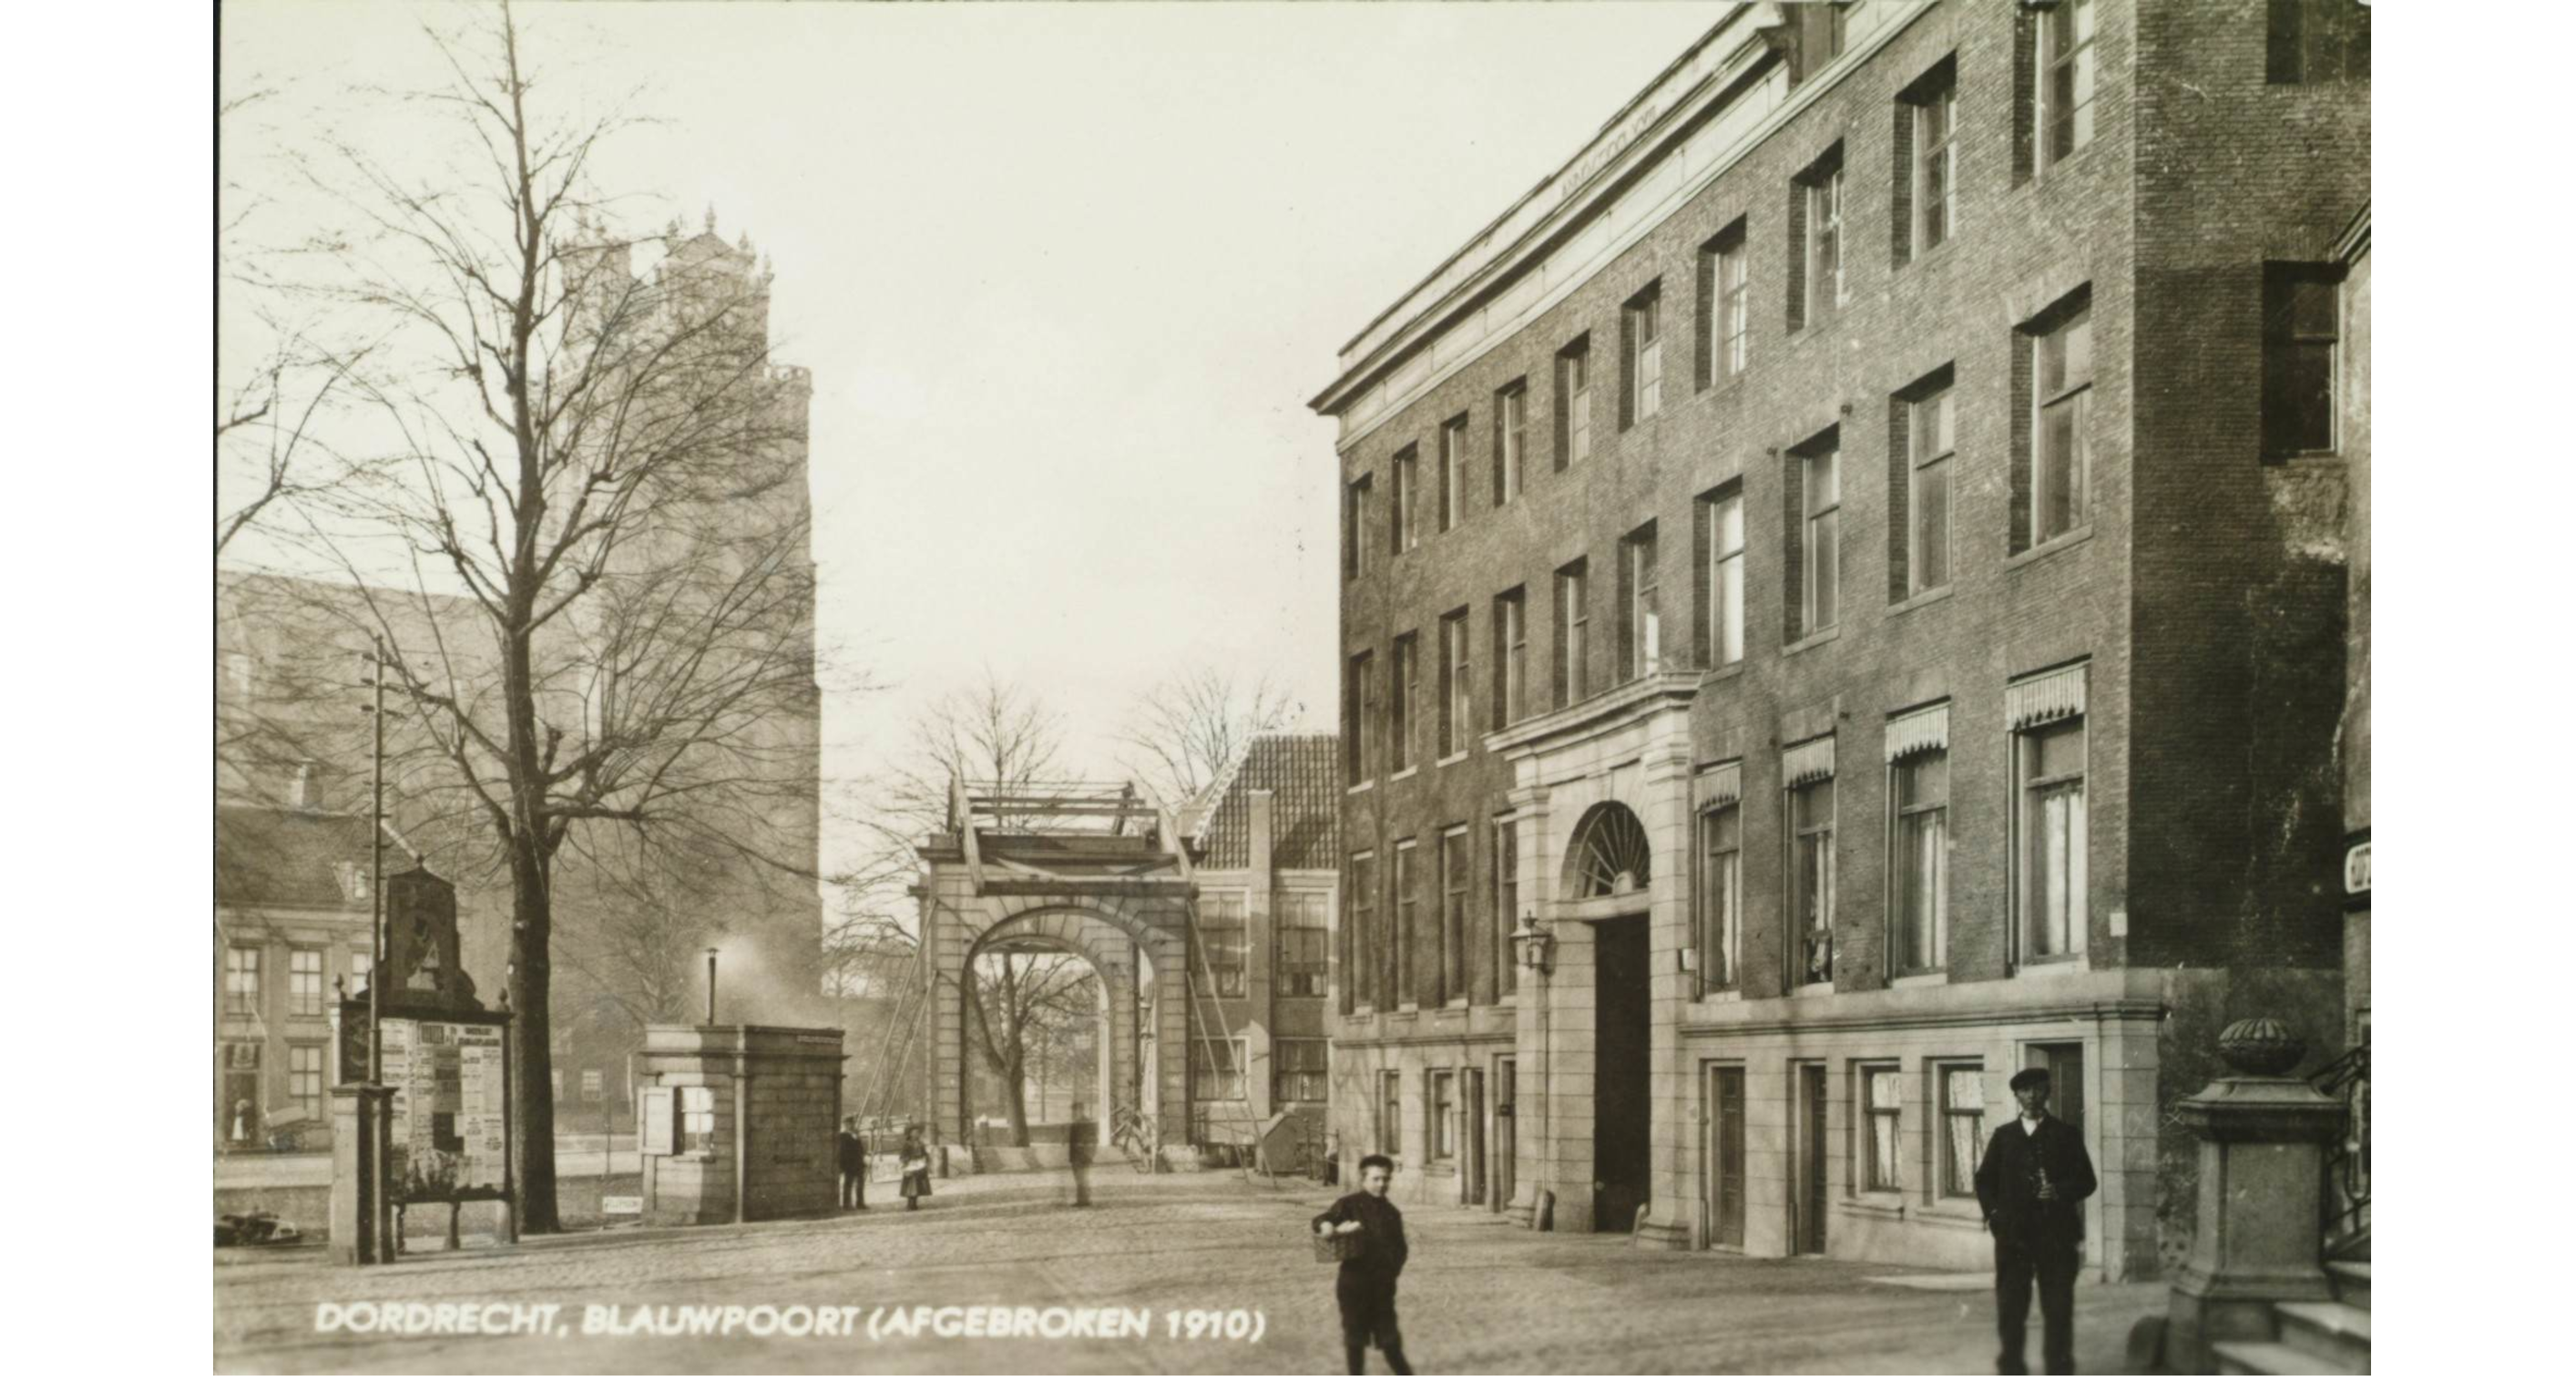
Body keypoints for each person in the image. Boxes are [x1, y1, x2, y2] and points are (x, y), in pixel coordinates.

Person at [1974, 1068, 2098, 1376]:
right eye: (2025, 1091)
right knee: (2011, 1307)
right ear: (2016, 1096)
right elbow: (1984, 1181)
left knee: (2058, 1308)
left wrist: (2058, 1191)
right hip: (2013, 1237)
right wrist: (1995, 1216)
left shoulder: (2067, 1134)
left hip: (2056, 1236)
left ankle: (2058, 1368)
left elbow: (2087, 1181)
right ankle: (2012, 1368)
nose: (2031, 1096)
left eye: (2038, 1090)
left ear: (2047, 1093)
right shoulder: (2004, 1136)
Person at [1311, 1153, 1413, 1376]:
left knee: (1390, 1339)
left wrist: (1391, 1271)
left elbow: (1401, 1248)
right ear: (1363, 1179)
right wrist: (1327, 1226)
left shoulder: (1392, 1212)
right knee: (1355, 1339)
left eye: (1385, 1179)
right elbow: (1323, 1219)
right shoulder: (1349, 1205)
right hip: (1354, 1283)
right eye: (1376, 1179)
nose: (1381, 1184)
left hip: (1382, 1286)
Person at [837, 1117, 870, 1211]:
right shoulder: (843, 1135)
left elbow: (860, 1148)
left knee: (860, 1183)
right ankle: (846, 1204)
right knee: (848, 1184)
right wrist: (843, 1164)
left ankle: (860, 1203)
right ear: (845, 1124)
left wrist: (863, 1158)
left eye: (852, 1123)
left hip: (858, 1162)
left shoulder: (855, 1134)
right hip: (849, 1163)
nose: (850, 1125)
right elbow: (843, 1151)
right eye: (848, 1123)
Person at [899, 1125, 934, 1211]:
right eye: (914, 1133)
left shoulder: (921, 1144)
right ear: (910, 1134)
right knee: (910, 1186)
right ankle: (909, 1203)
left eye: (918, 1133)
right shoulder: (907, 1144)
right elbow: (902, 1156)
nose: (917, 1134)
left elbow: (924, 1153)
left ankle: (914, 1203)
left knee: (918, 1185)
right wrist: (907, 1161)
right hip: (910, 1166)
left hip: (919, 1165)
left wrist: (927, 1157)